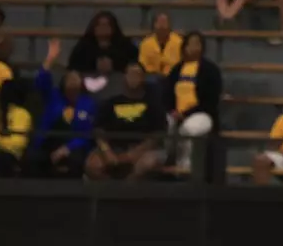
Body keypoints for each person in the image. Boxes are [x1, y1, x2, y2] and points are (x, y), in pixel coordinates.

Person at [85, 62, 165, 180]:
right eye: (130, 74)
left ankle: (128, 191)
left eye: (137, 74)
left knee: (148, 163)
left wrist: (134, 153)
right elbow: (98, 131)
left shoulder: (153, 104)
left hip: (142, 150)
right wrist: (107, 151)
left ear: (143, 78)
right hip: (113, 148)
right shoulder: (111, 103)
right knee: (92, 165)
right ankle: (111, 192)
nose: (133, 78)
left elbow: (157, 135)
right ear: (124, 77)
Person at [33, 39, 96, 177]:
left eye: (76, 77)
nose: (73, 80)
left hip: (74, 146)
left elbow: (87, 133)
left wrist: (67, 148)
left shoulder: (88, 103)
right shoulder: (53, 96)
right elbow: (40, 81)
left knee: (76, 158)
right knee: (35, 158)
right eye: (70, 77)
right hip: (49, 141)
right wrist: (50, 59)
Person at [163, 31, 219, 176]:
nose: (194, 47)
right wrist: (172, 110)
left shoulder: (210, 70)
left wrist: (186, 114)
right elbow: (167, 94)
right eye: (190, 43)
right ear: (184, 47)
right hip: (176, 112)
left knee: (188, 129)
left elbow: (210, 100)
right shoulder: (176, 70)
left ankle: (186, 167)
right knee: (164, 124)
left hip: (202, 114)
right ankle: (167, 159)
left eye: (197, 44)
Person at [68, 10, 133, 77]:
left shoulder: (124, 45)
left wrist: (115, 65)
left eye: (107, 25)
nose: (103, 28)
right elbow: (73, 67)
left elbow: (133, 63)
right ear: (94, 28)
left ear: (113, 28)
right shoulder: (83, 46)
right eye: (99, 25)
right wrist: (94, 65)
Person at [138, 12, 182, 79]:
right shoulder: (145, 43)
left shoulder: (179, 42)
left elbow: (181, 64)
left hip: (173, 76)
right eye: (159, 23)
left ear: (170, 25)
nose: (162, 26)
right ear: (154, 25)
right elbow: (143, 64)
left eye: (164, 23)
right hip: (152, 77)